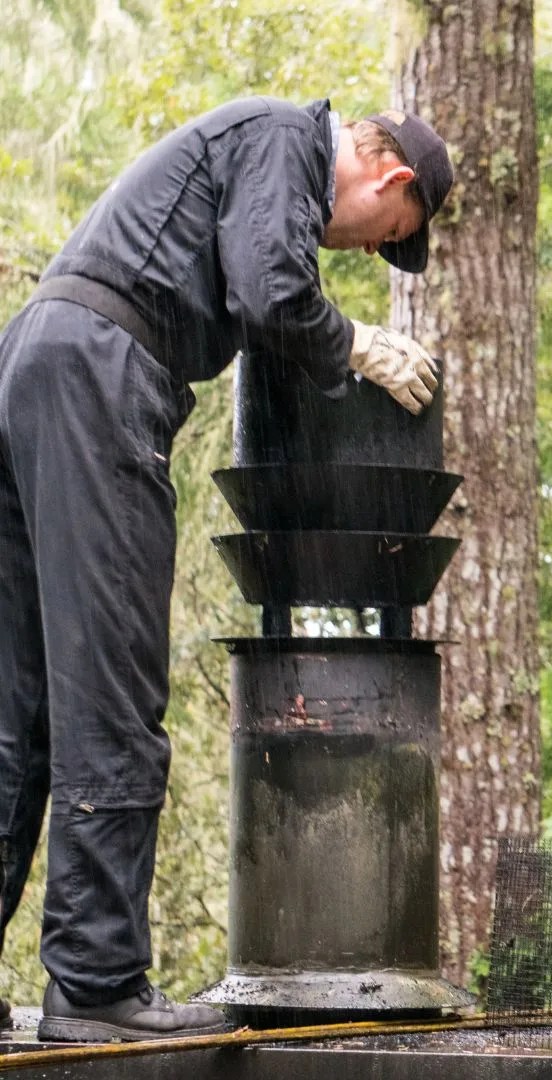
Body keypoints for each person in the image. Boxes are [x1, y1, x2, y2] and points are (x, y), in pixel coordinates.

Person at [0, 96, 453, 1042]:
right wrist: (359, 345)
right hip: (98, 375)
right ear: (388, 177)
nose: (367, 252)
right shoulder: (288, 138)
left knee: (21, 713)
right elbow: (273, 293)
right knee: (113, 697)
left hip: (36, 364)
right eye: (387, 237)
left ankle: (85, 980)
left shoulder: (252, 158)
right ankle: (93, 988)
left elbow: (261, 291)